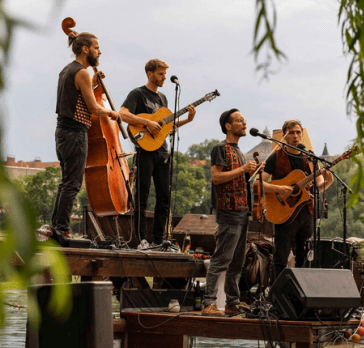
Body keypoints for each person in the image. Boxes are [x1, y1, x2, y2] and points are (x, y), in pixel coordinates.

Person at [50, 31, 119, 246]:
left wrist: (95, 86)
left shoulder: (67, 70)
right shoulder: (81, 73)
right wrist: (112, 114)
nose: (100, 51)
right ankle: (61, 230)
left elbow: (79, 98)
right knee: (72, 183)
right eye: (97, 47)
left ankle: (56, 228)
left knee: (66, 183)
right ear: (85, 49)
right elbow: (93, 108)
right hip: (75, 133)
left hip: (63, 132)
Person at [119, 59, 196, 248]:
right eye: (161, 74)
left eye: (165, 74)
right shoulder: (137, 94)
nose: (164, 77)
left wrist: (187, 120)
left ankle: (159, 240)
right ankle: (141, 239)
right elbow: (122, 114)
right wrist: (147, 123)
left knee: (164, 198)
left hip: (162, 152)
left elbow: (165, 128)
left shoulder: (163, 99)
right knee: (142, 196)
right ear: (150, 74)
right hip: (144, 152)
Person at [202, 109, 257, 316]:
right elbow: (217, 177)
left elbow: (238, 179)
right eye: (239, 121)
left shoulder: (239, 151)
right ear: (228, 125)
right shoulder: (220, 148)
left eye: (244, 120)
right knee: (221, 260)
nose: (244, 123)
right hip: (229, 212)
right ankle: (208, 302)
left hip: (242, 212)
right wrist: (243, 170)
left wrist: (248, 171)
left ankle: (232, 301)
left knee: (237, 262)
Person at [261, 120, 334, 277]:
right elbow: (258, 183)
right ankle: (277, 296)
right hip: (284, 213)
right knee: (280, 258)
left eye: (298, 132)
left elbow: (319, 186)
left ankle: (299, 296)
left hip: (306, 213)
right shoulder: (275, 157)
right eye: (291, 132)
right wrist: (279, 188)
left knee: (305, 258)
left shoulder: (309, 158)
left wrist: (328, 181)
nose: (295, 135)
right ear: (285, 136)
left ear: (302, 135)